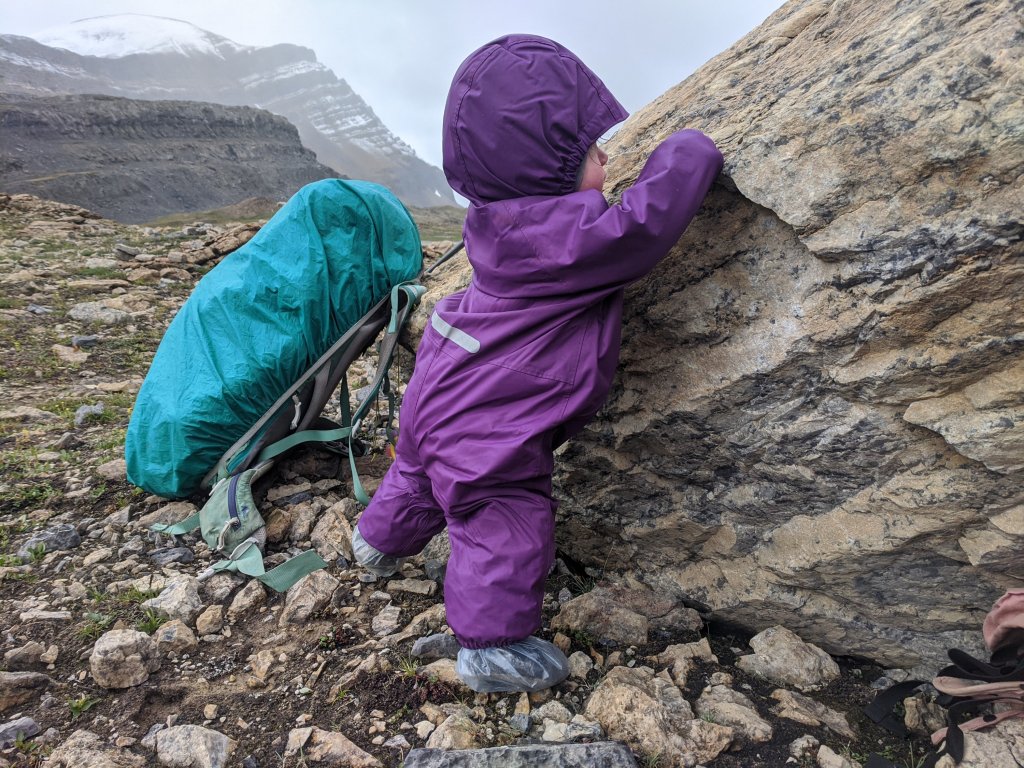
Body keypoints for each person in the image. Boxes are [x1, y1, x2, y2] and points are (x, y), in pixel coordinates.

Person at [352, 34, 723, 692]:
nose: (606, 157)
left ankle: (377, 544)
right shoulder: (565, 244)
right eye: (590, 151)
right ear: (545, 171)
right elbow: (642, 227)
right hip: (485, 422)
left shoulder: (494, 224)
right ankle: (491, 648)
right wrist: (688, 149)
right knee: (500, 511)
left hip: (441, 380)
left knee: (419, 472)